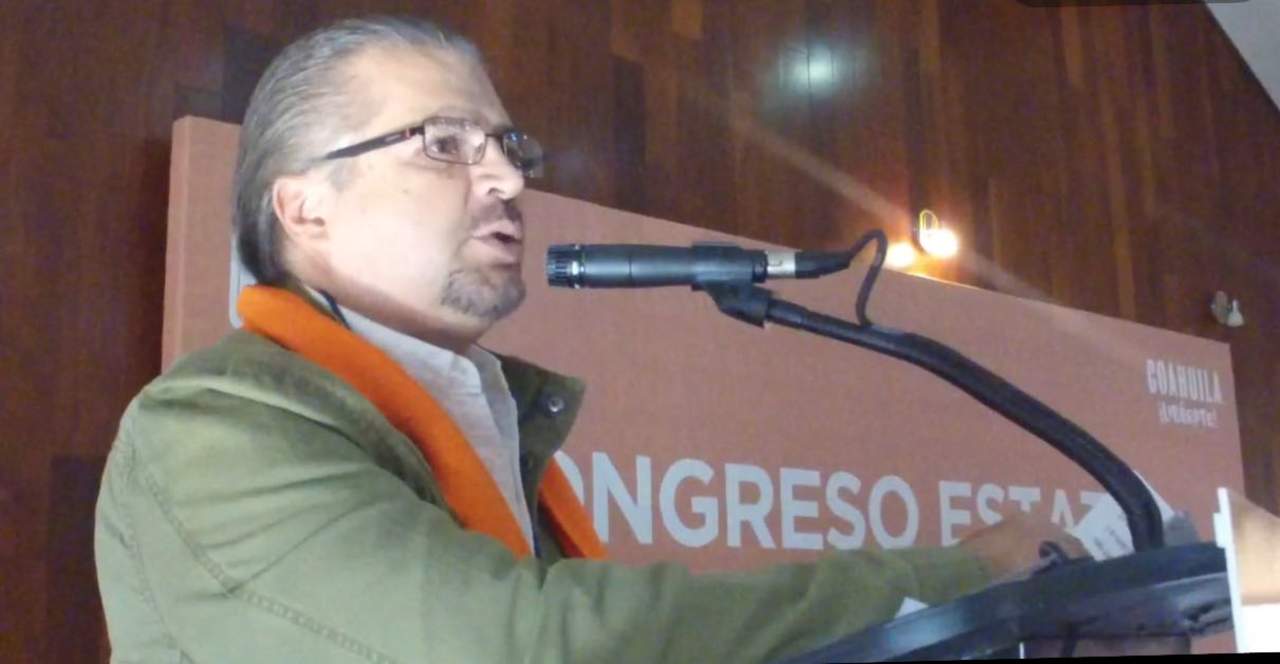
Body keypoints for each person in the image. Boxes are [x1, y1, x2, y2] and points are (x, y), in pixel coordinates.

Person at [95, 15, 1079, 663]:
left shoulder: (487, 410)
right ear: (305, 206)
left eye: (507, 146)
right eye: (444, 144)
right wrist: (958, 575)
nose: (506, 179)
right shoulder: (213, 428)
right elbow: (527, 649)